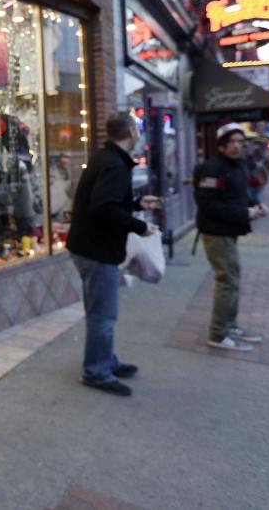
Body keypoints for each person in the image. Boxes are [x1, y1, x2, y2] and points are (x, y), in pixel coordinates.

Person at [66, 113, 160, 397]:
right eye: (138, 130)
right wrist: (140, 226)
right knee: (103, 315)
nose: (139, 134)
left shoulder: (108, 159)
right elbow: (103, 208)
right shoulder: (113, 164)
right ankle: (96, 372)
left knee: (101, 312)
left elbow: (106, 201)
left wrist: (134, 203)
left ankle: (104, 360)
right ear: (131, 131)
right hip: (96, 249)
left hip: (91, 246)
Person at [194, 122, 268, 352]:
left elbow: (238, 196)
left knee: (232, 279)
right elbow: (207, 204)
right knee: (228, 280)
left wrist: (255, 204)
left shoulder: (237, 166)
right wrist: (244, 213)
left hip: (228, 230)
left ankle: (229, 325)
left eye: (240, 141)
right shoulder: (212, 168)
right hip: (216, 232)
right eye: (231, 142)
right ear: (222, 146)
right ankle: (218, 333)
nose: (237, 146)